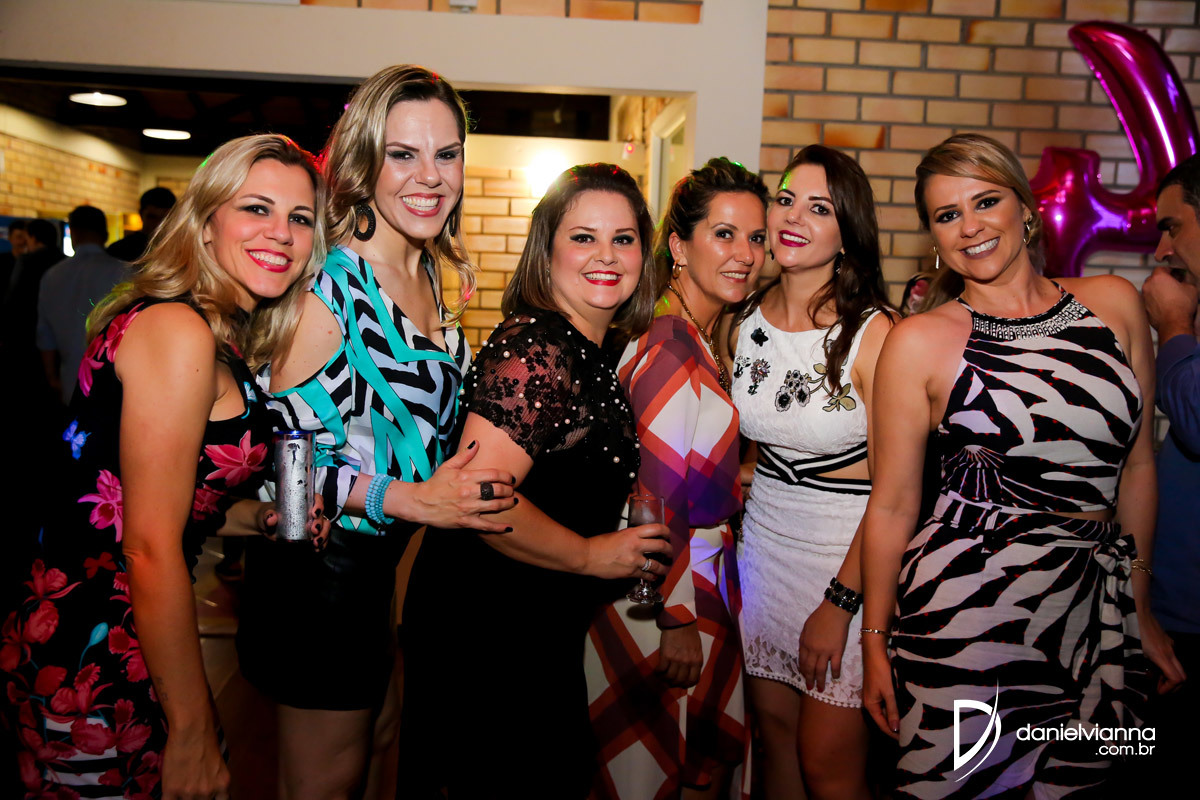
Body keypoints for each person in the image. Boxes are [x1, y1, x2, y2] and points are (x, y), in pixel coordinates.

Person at [0, 133, 332, 799]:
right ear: (204, 223)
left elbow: (136, 494)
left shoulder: (201, 328)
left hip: (108, 628)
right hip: (99, 642)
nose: (282, 232)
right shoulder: (179, 332)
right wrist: (193, 730)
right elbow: (149, 544)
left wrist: (260, 517)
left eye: (300, 217)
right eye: (256, 208)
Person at [860, 133, 1186, 798]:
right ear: (933, 237)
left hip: (1095, 609)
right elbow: (891, 504)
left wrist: (1139, 604)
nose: (970, 226)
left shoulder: (1114, 303)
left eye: (986, 201)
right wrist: (872, 639)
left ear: (1026, 208)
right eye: (947, 215)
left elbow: (1137, 468)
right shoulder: (919, 341)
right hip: (967, 609)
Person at [235, 65, 518, 800]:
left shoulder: (430, 273)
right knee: (323, 786)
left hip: (384, 571)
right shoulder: (327, 283)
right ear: (365, 161)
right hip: (321, 578)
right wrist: (411, 500)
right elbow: (278, 464)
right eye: (403, 154)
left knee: (376, 750)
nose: (430, 176)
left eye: (446, 154)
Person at [400, 163, 674, 798]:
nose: (606, 256)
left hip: (532, 620)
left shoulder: (587, 347)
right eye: (583, 237)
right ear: (546, 251)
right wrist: (588, 553)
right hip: (489, 630)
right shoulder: (540, 347)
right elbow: (479, 494)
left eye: (624, 238)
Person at [581, 158, 767, 800]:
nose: (745, 254)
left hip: (693, 575)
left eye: (756, 237)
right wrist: (675, 615)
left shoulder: (697, 336)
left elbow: (686, 464)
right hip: (666, 588)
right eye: (724, 234)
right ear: (680, 247)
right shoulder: (668, 344)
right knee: (654, 773)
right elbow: (653, 496)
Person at [729, 145, 893, 800]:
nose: (794, 217)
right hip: (762, 555)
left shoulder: (875, 333)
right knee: (774, 744)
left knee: (828, 767)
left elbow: (897, 492)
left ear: (847, 232)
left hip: (843, 562)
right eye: (786, 198)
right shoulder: (743, 317)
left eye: (819, 208)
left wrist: (840, 603)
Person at [1139, 152, 1200, 787]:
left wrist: (1175, 327)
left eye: (1173, 227)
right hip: (1173, 619)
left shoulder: (1182, 325)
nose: (1162, 250)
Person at [37, 205, 130, 404]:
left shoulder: (52, 276)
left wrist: (52, 377)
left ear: (73, 232)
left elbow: (45, 335)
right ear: (105, 234)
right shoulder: (124, 272)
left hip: (70, 381)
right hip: (116, 385)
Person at [107, 187, 177, 262]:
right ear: (141, 213)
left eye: (164, 218)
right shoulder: (120, 249)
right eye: (152, 217)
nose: (158, 223)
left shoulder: (178, 249)